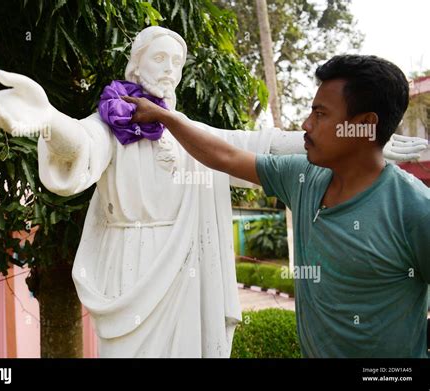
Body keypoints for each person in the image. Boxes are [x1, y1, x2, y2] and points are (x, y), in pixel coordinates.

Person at [124, 54, 430, 358]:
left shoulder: (415, 211)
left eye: (321, 114)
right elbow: (226, 157)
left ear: (364, 125)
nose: (306, 124)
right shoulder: (302, 177)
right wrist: (165, 117)